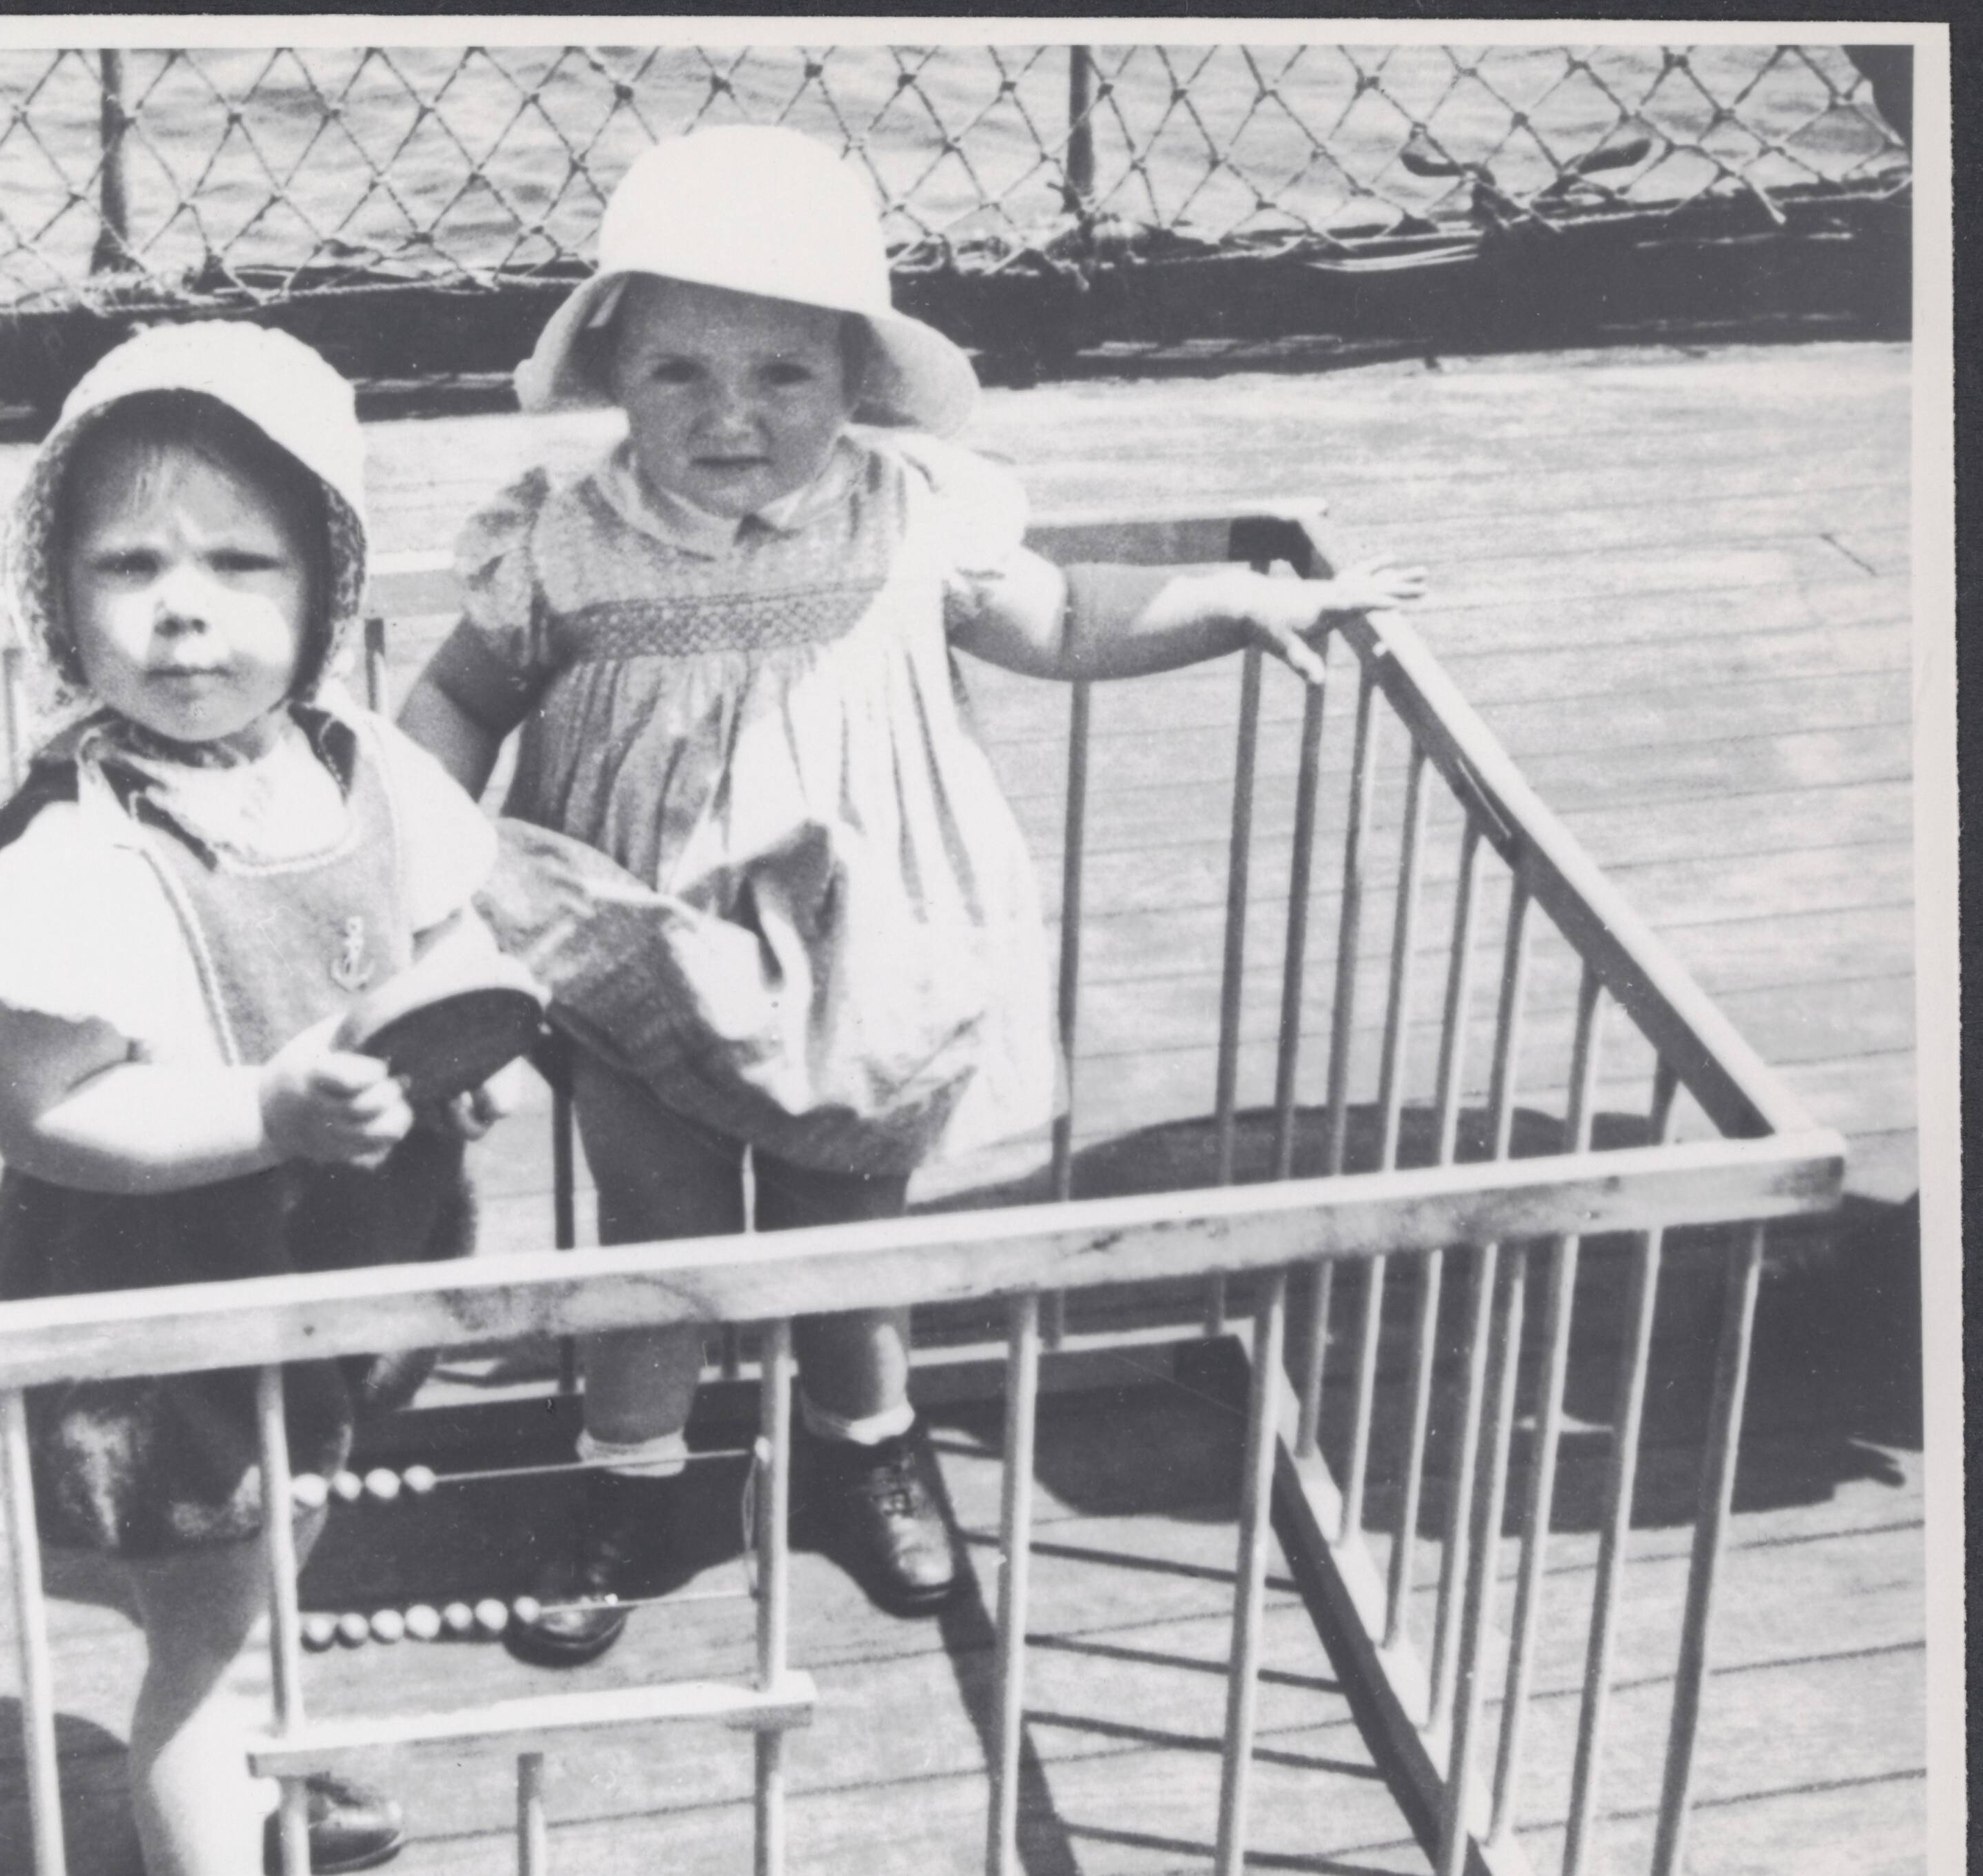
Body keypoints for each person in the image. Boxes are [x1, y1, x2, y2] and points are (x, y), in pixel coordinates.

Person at [399, 125, 1422, 1665]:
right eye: (678, 371)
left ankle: (866, 1445)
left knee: (848, 1205)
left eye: (783, 375)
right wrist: (423, 886)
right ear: (612, 371)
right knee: (657, 1216)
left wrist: (1234, 600)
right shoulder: (565, 537)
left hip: (862, 931)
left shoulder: (912, 512)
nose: (730, 416)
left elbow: (1064, 620)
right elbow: (457, 702)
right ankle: (633, 1481)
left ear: (857, 380)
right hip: (639, 934)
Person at [0, 321, 521, 1876]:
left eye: (240, 563)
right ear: (61, 605)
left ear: (326, 590)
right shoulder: (84, 852)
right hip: (167, 1309)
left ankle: (240, 1778)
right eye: (128, 565)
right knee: (203, 1630)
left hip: (328, 1270)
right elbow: (43, 1111)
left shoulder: (364, 770)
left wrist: (456, 1056)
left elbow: (439, 937)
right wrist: (265, 1110)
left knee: (282, 1546)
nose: (184, 611)